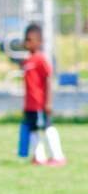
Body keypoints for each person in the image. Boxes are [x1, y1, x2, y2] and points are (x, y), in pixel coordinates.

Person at [21, 24, 64, 166]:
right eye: (25, 40)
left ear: (39, 42)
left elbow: (48, 80)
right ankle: (39, 157)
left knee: (47, 128)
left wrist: (48, 102)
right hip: (30, 104)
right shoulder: (27, 61)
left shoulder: (40, 59)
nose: (26, 43)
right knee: (32, 129)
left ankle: (57, 156)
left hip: (40, 103)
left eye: (29, 40)